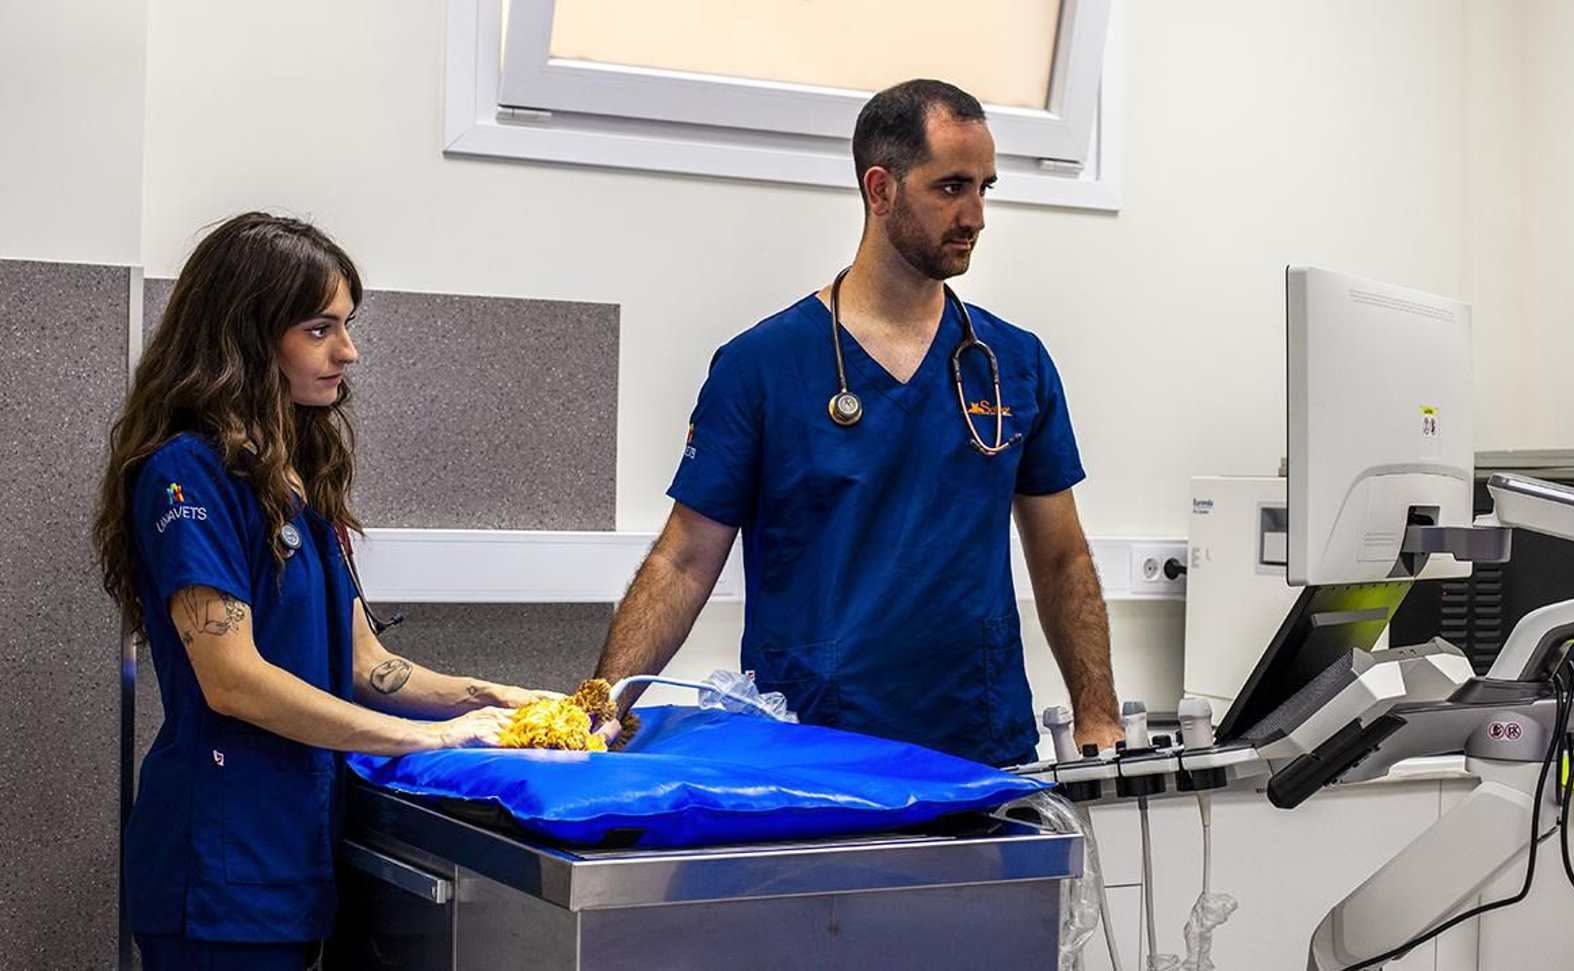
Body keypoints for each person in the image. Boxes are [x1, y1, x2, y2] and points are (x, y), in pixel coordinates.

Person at [595, 80, 1123, 766]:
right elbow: (684, 558)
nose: (976, 215)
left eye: (985, 188)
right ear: (881, 189)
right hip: (814, 751)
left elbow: (1062, 558)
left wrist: (1098, 713)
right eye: (951, 187)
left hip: (978, 748)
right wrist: (596, 708)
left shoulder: (1011, 364)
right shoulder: (762, 365)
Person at [93, 212, 551, 969]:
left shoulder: (295, 478)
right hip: (220, 870)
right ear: (246, 334)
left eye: (346, 323)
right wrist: (424, 737)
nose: (349, 349)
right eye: (319, 328)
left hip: (292, 858)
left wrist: (496, 700)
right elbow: (232, 679)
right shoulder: (187, 474)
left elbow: (367, 662)